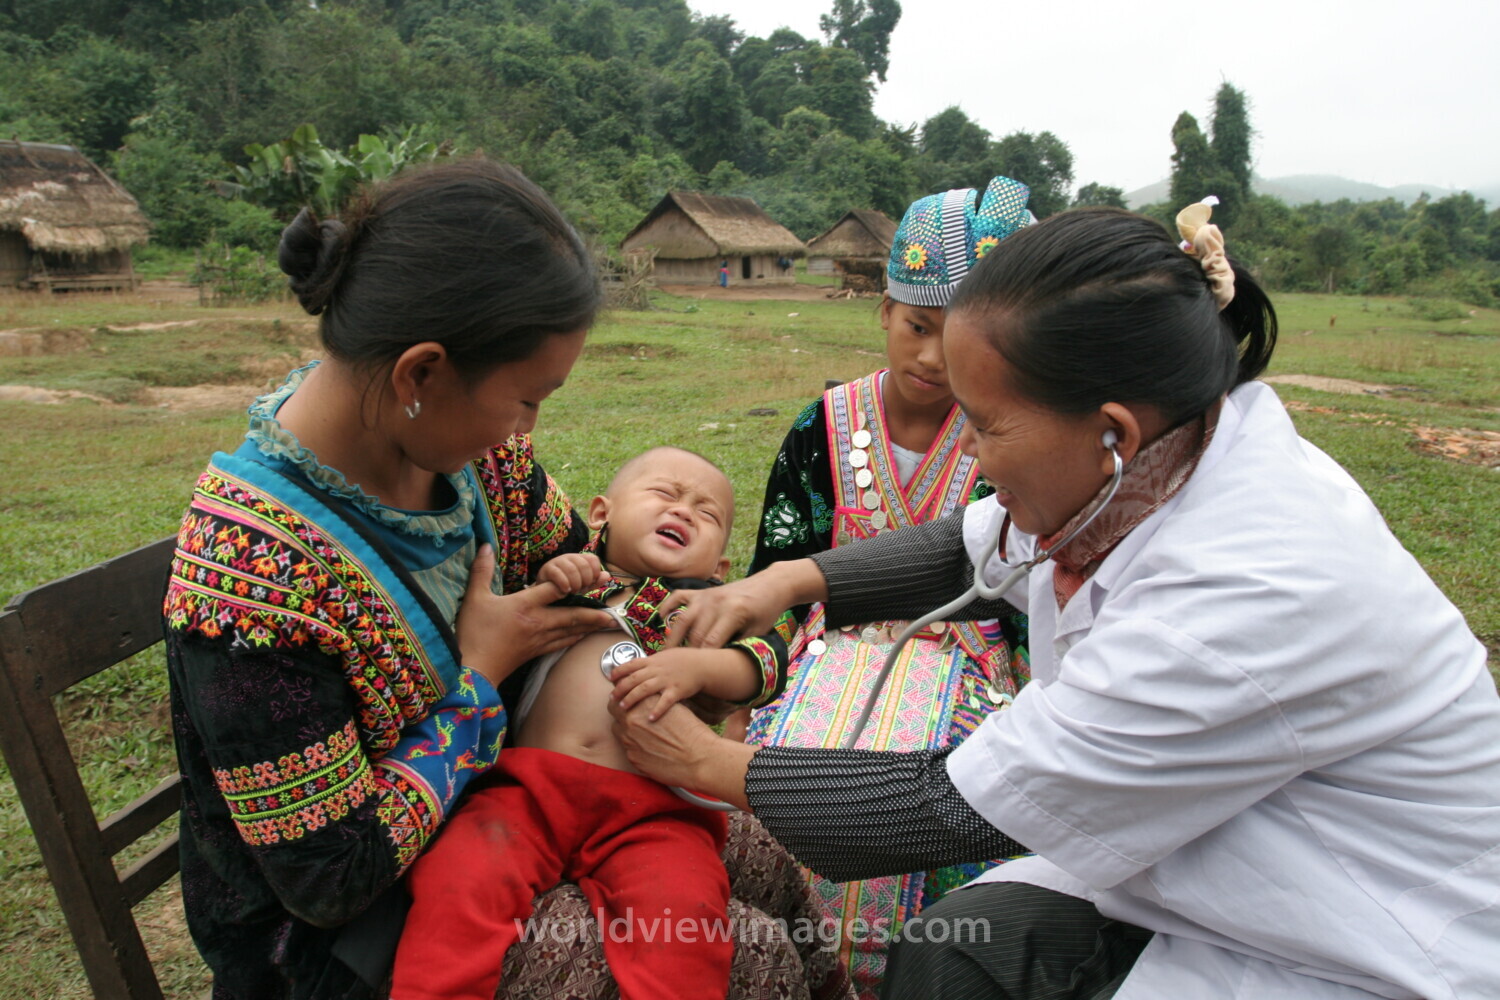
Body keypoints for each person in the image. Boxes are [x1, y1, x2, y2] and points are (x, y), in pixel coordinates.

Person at [610, 202, 1500, 1000]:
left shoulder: (1247, 596)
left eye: (989, 426)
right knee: (957, 956)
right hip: (1217, 871)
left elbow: (958, 805)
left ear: (1112, 433)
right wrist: (787, 581)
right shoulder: (1164, 455)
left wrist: (701, 764)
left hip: (1360, 938)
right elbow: (969, 540)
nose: (979, 460)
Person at [162, 160, 854, 1000]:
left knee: (768, 866)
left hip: (508, 811)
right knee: (741, 952)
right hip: (344, 942)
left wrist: (721, 654)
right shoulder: (249, 581)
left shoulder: (483, 468)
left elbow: (611, 589)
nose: (528, 429)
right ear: (422, 373)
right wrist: (477, 683)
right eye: (527, 398)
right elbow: (329, 880)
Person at [745, 177, 1033, 996]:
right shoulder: (821, 429)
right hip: (824, 653)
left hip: (964, 662)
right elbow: (779, 579)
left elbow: (1016, 601)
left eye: (959, 337)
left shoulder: (1001, 440)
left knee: (956, 792)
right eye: (917, 327)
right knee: (787, 770)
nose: (932, 358)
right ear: (883, 311)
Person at [392, 447, 792, 1000]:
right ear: (601, 514)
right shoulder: (580, 582)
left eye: (708, 514)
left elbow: (766, 664)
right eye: (666, 494)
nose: (684, 512)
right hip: (528, 792)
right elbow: (520, 610)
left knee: (688, 916)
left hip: (653, 812)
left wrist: (704, 664)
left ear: (720, 567)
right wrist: (557, 573)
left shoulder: (706, 610)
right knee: (459, 878)